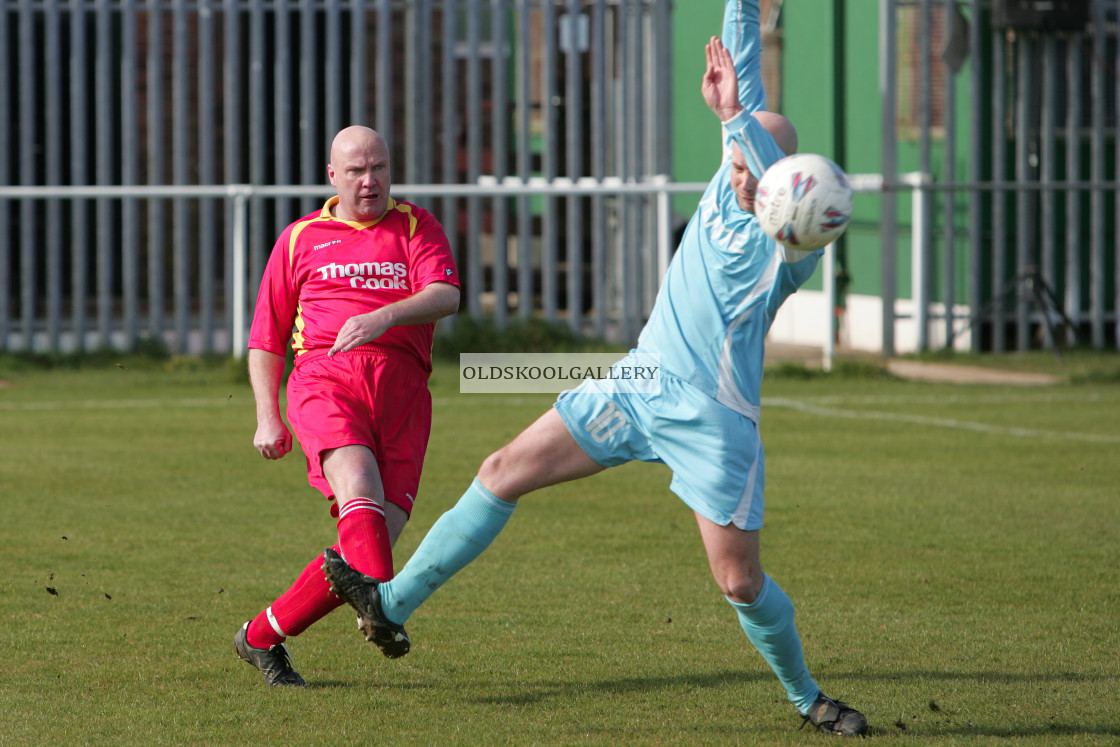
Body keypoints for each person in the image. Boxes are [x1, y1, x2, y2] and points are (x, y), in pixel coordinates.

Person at [325, 2, 867, 736]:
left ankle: (808, 697)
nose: (741, 176)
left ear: (787, 188)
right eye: (737, 163)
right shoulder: (732, 167)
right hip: (639, 382)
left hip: (712, 420)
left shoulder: (790, 247)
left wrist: (742, 125)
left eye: (756, 171)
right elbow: (742, 76)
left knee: (739, 580)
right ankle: (390, 606)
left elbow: (758, 148)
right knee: (501, 468)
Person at [233, 125, 461, 687]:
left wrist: (384, 315)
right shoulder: (299, 238)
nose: (370, 181)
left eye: (379, 167)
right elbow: (266, 337)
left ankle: (260, 636)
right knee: (360, 496)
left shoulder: (415, 225)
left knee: (365, 552)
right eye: (356, 171)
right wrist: (268, 415)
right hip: (325, 378)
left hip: (405, 393)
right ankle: (385, 611)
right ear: (332, 176)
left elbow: (447, 295)